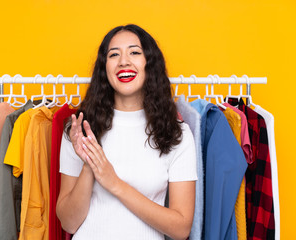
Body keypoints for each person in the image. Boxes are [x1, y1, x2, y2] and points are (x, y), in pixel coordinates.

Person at [56, 24, 197, 240]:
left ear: (149, 63)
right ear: (105, 68)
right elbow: (69, 222)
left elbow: (181, 228)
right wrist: (89, 165)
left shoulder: (177, 134)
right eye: (114, 55)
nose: (124, 61)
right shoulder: (80, 129)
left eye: (134, 52)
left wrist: (115, 183)